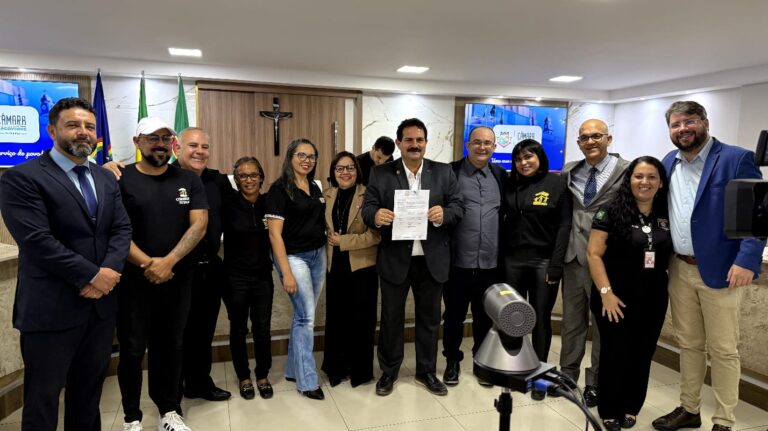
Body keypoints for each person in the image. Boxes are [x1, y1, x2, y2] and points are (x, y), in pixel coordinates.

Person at [0, 97, 132, 431]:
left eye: (89, 126)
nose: (83, 132)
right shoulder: (22, 177)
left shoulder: (105, 179)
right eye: (73, 125)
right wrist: (92, 275)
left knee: (88, 396)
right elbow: (37, 241)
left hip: (99, 310)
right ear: (52, 130)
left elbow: (121, 229)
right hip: (51, 310)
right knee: (42, 401)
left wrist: (108, 273)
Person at [652, 101, 765, 431]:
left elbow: (758, 214)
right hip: (679, 268)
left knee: (723, 350)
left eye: (689, 121)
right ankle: (689, 408)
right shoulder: (668, 162)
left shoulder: (736, 158)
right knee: (689, 344)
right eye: (675, 124)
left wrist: (746, 260)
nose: (682, 129)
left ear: (705, 122)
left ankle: (724, 420)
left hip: (723, 269)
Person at [116, 117, 208, 431]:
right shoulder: (121, 178)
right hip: (133, 282)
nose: (160, 144)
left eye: (165, 139)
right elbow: (116, 230)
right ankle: (131, 417)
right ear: (137, 142)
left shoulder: (188, 179)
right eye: (152, 138)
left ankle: (169, 411)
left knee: (170, 346)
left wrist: (169, 261)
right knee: (131, 349)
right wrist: (149, 264)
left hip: (177, 280)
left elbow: (199, 224)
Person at [363, 118, 463, 396]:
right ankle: (389, 371)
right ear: (399, 143)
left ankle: (426, 371)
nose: (415, 145)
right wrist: (376, 216)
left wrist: (444, 214)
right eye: (409, 140)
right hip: (395, 259)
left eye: (419, 140)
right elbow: (368, 208)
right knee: (391, 319)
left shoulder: (443, 172)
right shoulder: (381, 173)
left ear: (426, 143)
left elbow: (458, 206)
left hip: (432, 260)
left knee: (430, 320)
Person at [586, 156, 671, 431]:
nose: (645, 182)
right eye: (639, 176)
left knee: (642, 353)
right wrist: (606, 293)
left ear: (661, 182)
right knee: (615, 352)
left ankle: (631, 405)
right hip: (615, 297)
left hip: (653, 297)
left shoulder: (667, 212)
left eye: (652, 177)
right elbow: (594, 254)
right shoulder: (610, 210)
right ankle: (609, 408)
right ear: (629, 180)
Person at [560, 119, 629, 407]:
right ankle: (567, 376)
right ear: (578, 143)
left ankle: (596, 383)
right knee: (572, 322)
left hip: (607, 261)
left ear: (608, 139)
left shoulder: (627, 171)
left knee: (603, 325)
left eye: (597, 136)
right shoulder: (569, 171)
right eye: (585, 137)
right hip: (574, 258)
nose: (590, 141)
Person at [441, 126, 506, 386]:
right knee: (454, 317)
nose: (482, 147)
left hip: (490, 263)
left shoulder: (500, 175)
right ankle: (452, 361)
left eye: (487, 143)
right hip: (457, 262)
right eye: (477, 142)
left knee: (484, 318)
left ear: (494, 147)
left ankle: (482, 362)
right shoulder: (451, 172)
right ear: (468, 145)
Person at [173, 128, 234, 403]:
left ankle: (199, 383)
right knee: (176, 334)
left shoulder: (217, 181)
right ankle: (172, 393)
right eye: (193, 145)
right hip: (176, 270)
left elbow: (242, 205)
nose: (200, 151)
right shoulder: (165, 176)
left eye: (205, 147)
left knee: (203, 331)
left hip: (209, 268)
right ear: (177, 148)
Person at [266, 138, 327, 400]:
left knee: (302, 315)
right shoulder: (279, 189)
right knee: (306, 318)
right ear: (290, 157)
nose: (306, 160)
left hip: (318, 255)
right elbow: (274, 235)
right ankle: (307, 381)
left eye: (311, 156)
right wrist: (287, 273)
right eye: (301, 155)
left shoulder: (314, 186)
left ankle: (293, 369)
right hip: (294, 258)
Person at [503, 139, 571, 362]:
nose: (523, 163)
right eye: (518, 159)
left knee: (541, 317)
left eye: (528, 157)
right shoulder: (510, 183)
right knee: (514, 315)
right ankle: (514, 364)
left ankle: (539, 369)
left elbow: (564, 226)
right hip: (512, 260)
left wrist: (556, 264)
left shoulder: (557, 183)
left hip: (543, 261)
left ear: (539, 157)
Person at [321, 151, 381, 387]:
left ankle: (360, 371)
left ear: (357, 171)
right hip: (334, 267)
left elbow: (376, 235)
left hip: (362, 268)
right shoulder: (327, 195)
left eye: (350, 168)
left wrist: (343, 241)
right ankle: (336, 368)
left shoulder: (369, 195)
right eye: (340, 168)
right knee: (336, 319)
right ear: (333, 173)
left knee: (361, 321)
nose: (345, 172)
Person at [222, 156, 275, 400]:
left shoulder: (269, 203)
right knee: (238, 329)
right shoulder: (228, 203)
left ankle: (262, 375)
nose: (248, 180)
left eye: (253, 175)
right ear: (236, 180)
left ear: (261, 178)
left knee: (262, 328)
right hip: (235, 278)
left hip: (263, 277)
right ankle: (244, 377)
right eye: (242, 176)